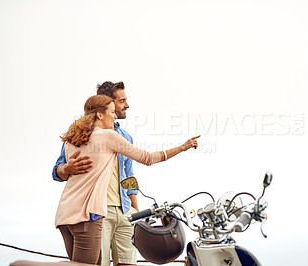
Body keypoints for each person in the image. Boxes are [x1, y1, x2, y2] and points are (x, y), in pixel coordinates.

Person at [55, 94, 199, 264]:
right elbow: (147, 158)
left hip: (66, 213)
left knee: (77, 263)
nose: (115, 116)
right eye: (112, 112)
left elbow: (128, 173)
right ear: (100, 114)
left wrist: (134, 206)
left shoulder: (71, 139)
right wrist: (182, 147)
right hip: (88, 214)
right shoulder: (109, 136)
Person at [53, 81, 140, 266]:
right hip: (97, 211)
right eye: (122, 100)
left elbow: (129, 175)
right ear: (107, 104)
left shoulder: (126, 137)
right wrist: (66, 169)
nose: (127, 105)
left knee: (129, 263)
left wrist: (136, 212)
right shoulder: (80, 135)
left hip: (125, 211)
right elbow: (57, 170)